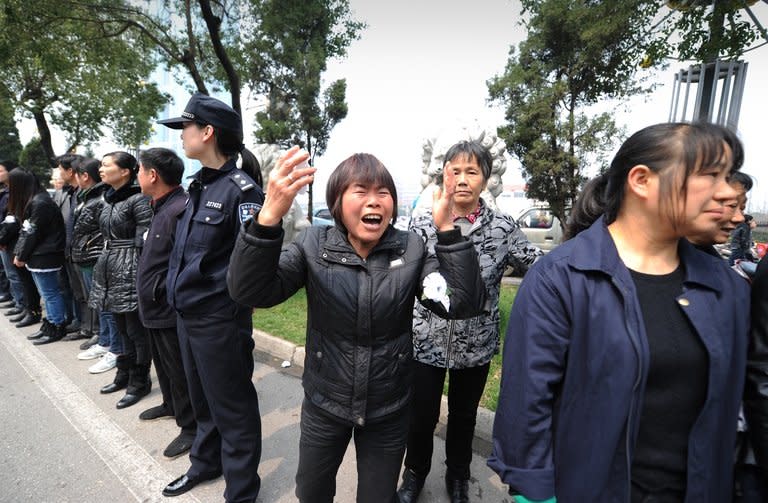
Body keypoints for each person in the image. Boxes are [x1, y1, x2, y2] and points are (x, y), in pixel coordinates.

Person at [488, 122, 750, 502]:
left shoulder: (726, 288)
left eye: (727, 176)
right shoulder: (563, 279)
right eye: (710, 175)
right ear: (641, 180)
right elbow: (526, 413)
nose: (727, 193)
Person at [227, 149, 486, 503]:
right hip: (325, 403)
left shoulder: (409, 250)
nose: (374, 201)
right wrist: (269, 215)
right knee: (312, 493)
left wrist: (447, 230)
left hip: (388, 409)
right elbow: (249, 290)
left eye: (383, 193)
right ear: (337, 200)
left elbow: (461, 304)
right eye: (360, 191)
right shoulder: (313, 245)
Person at [399, 140, 542, 503]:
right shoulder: (421, 223)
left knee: (463, 417)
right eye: (455, 171)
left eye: (472, 172)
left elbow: (540, 267)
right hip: (424, 340)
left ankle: (459, 476)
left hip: (476, 345)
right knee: (422, 415)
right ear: (444, 176)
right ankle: (414, 474)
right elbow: (400, 273)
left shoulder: (503, 228)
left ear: (485, 179)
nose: (462, 180)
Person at [157, 93, 264, 503]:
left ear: (207, 132)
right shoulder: (197, 185)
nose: (181, 136)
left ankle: (241, 491)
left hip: (219, 320)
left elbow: (250, 266)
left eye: (185, 127)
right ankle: (205, 463)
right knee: (202, 401)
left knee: (232, 407)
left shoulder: (243, 192)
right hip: (188, 316)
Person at [135, 147, 196, 459]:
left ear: (153, 175)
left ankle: (190, 426)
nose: (138, 175)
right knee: (163, 363)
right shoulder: (160, 207)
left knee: (179, 367)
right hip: (153, 305)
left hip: (168, 306)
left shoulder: (180, 209)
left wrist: (162, 290)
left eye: (139, 170)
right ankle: (171, 405)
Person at [88, 151, 153, 409]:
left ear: (125, 171)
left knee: (136, 331)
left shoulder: (138, 199)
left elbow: (145, 241)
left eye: (106, 165)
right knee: (120, 327)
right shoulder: (106, 199)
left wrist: (137, 272)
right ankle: (123, 373)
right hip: (109, 267)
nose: (101, 170)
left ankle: (140, 381)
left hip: (130, 268)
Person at [69, 158, 122, 369]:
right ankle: (106, 341)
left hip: (96, 257)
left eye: (106, 166)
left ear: (84, 176)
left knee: (106, 305)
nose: (102, 170)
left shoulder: (102, 198)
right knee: (99, 303)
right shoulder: (87, 196)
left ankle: (114, 348)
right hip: (87, 256)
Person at [9, 168, 67, 344]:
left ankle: (57, 326)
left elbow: (31, 233)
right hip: (40, 255)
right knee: (47, 292)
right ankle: (50, 324)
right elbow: (28, 232)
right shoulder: (36, 200)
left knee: (50, 293)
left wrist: (20, 255)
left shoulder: (40, 203)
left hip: (45, 255)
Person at [54, 153, 83, 335]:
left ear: (70, 171)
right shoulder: (70, 192)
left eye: (60, 168)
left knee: (82, 292)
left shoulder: (82, 193)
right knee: (71, 288)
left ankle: (86, 326)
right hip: (68, 248)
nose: (58, 173)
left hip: (80, 251)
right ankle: (77, 321)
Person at [0, 160, 24, 311]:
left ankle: (23, 304)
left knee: (16, 275)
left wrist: (3, 238)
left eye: (1, 171)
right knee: (10, 274)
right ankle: (17, 300)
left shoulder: (15, 194)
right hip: (4, 238)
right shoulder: (4, 192)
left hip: (12, 240)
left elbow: (13, 221)